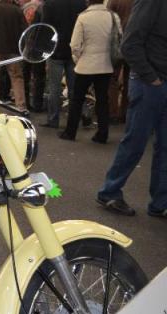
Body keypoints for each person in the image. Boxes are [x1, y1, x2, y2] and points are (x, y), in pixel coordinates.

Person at [97, 0, 167, 218]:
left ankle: (160, 203)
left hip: (158, 82)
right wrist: (151, 77)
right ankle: (110, 192)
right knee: (135, 141)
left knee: (165, 148)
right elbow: (130, 44)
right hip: (150, 84)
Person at [58, 0, 121, 143]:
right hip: (105, 65)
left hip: (85, 65)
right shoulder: (112, 16)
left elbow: (74, 44)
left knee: (77, 99)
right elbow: (118, 38)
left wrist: (78, 58)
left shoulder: (83, 17)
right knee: (102, 100)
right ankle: (102, 134)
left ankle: (70, 132)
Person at [40, 0, 87, 128]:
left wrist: (44, 49)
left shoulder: (50, 4)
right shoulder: (81, 3)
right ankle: (76, 119)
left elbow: (45, 28)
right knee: (75, 88)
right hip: (73, 50)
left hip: (55, 50)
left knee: (54, 88)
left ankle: (53, 119)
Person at [107, 0, 133, 124]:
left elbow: (108, 18)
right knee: (129, 82)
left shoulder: (115, 1)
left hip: (116, 45)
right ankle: (125, 114)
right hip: (133, 45)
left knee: (112, 80)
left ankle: (112, 113)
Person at [21, 0, 45, 112]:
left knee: (24, 76)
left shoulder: (25, 7)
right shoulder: (43, 7)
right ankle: (38, 104)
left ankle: (25, 103)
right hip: (39, 47)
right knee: (39, 77)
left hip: (25, 46)